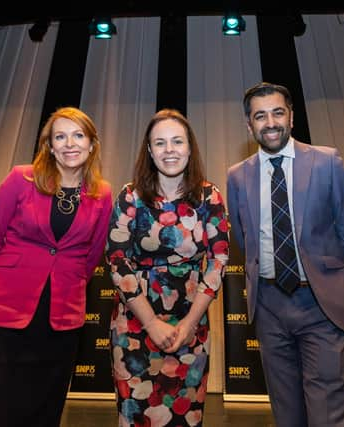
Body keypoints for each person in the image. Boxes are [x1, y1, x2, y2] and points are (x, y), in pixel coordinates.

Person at [0, 106, 113, 427]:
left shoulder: (103, 193)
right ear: (49, 146)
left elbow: (93, 254)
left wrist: (67, 285)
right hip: (2, 311)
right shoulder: (21, 178)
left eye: (78, 135)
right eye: (60, 136)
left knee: (42, 403)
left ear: (92, 144)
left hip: (60, 316)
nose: (70, 143)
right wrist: (1, 285)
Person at [226, 83, 344, 427]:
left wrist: (323, 272)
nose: (270, 122)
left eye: (277, 112)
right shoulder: (237, 176)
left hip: (320, 305)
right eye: (260, 116)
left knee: (329, 408)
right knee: (286, 411)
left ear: (291, 116)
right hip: (269, 306)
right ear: (249, 125)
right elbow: (243, 241)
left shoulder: (326, 162)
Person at [106, 109, 229, 427]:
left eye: (177, 141)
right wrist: (151, 323)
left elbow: (218, 260)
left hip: (191, 326)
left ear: (190, 147)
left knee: (185, 415)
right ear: (149, 150)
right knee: (136, 417)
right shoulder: (130, 196)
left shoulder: (209, 196)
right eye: (160, 143)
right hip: (134, 327)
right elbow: (117, 261)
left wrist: (189, 323)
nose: (169, 149)